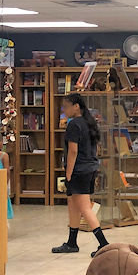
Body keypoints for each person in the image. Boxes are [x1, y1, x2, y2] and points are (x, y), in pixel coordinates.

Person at [52, 93, 109, 255]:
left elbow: (73, 151)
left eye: (66, 107)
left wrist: (68, 173)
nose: (64, 110)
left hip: (79, 170)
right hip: (90, 168)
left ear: (76, 106)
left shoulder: (74, 125)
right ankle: (71, 242)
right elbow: (95, 147)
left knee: (84, 208)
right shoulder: (88, 123)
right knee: (73, 205)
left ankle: (103, 244)